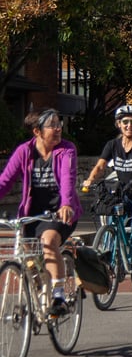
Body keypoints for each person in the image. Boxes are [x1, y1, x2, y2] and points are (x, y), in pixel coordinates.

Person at [0, 108, 82, 316]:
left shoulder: (66, 150)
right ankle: (39, 292)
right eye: (52, 125)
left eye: (59, 124)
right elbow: (6, 181)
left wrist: (66, 204)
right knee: (29, 259)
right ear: (37, 131)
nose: (58, 128)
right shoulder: (24, 151)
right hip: (31, 213)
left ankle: (59, 295)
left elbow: (68, 179)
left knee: (48, 242)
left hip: (59, 212)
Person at [83, 105, 132, 274]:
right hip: (123, 194)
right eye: (125, 122)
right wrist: (89, 180)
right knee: (111, 221)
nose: (129, 125)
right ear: (118, 124)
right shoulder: (113, 145)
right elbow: (101, 166)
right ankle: (112, 258)